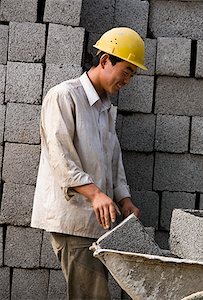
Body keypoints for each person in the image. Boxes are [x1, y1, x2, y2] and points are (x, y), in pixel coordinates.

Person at [31, 27, 147, 299]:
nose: (128, 80)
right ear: (105, 60)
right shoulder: (64, 96)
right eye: (127, 70)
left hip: (96, 223)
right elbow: (61, 158)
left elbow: (113, 159)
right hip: (75, 221)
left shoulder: (105, 107)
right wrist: (95, 195)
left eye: (132, 73)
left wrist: (123, 198)